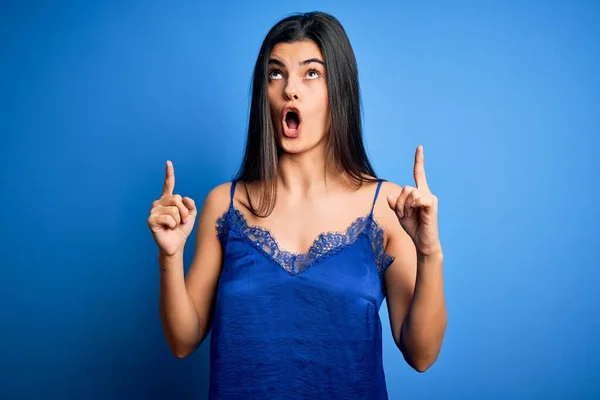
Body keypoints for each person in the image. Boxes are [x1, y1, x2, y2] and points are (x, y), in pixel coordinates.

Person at [148, 11, 447, 399]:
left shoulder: (387, 206)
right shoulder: (225, 204)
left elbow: (421, 355)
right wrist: (170, 256)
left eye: (311, 73)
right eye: (276, 73)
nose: (290, 89)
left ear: (338, 90)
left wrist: (430, 252)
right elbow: (183, 341)